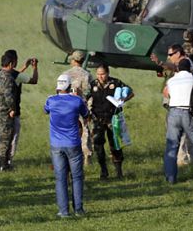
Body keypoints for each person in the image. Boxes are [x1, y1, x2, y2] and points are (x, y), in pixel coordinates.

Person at [159, 54, 193, 183]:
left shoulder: (172, 79)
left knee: (172, 147)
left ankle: (171, 178)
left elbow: (166, 93)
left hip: (173, 113)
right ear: (189, 68)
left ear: (178, 68)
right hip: (189, 113)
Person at [44, 74, 89, 218]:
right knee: (76, 177)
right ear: (70, 86)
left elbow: (46, 110)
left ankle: (63, 211)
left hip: (56, 144)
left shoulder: (51, 100)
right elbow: (86, 114)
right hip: (73, 143)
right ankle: (78, 209)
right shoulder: (76, 101)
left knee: (61, 178)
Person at [89, 64, 134, 179]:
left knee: (115, 145)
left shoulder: (116, 83)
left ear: (108, 73)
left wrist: (123, 100)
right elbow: (86, 98)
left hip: (113, 118)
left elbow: (131, 93)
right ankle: (103, 171)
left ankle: (119, 171)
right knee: (98, 145)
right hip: (98, 118)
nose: (101, 76)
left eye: (103, 74)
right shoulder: (92, 84)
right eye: (98, 74)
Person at [8, 51, 39, 168]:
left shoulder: (0, 74)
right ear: (13, 62)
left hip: (0, 112)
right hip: (14, 112)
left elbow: (15, 76)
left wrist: (25, 67)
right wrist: (35, 68)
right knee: (13, 137)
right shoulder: (16, 75)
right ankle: (8, 162)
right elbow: (34, 80)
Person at [61, 50, 91, 164]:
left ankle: (68, 155)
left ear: (73, 60)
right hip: (82, 106)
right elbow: (89, 92)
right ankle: (86, 157)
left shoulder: (65, 74)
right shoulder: (87, 74)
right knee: (85, 131)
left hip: (67, 108)